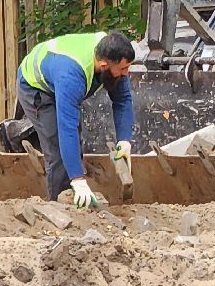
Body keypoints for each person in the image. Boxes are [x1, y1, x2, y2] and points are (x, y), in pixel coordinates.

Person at [16, 30, 135, 208]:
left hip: (60, 77)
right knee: (57, 149)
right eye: (123, 69)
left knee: (74, 145)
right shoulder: (71, 75)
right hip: (35, 88)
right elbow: (67, 128)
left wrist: (124, 140)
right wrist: (78, 180)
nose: (127, 73)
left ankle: (76, 198)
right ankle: (58, 207)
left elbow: (123, 99)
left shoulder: (112, 54)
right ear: (103, 65)